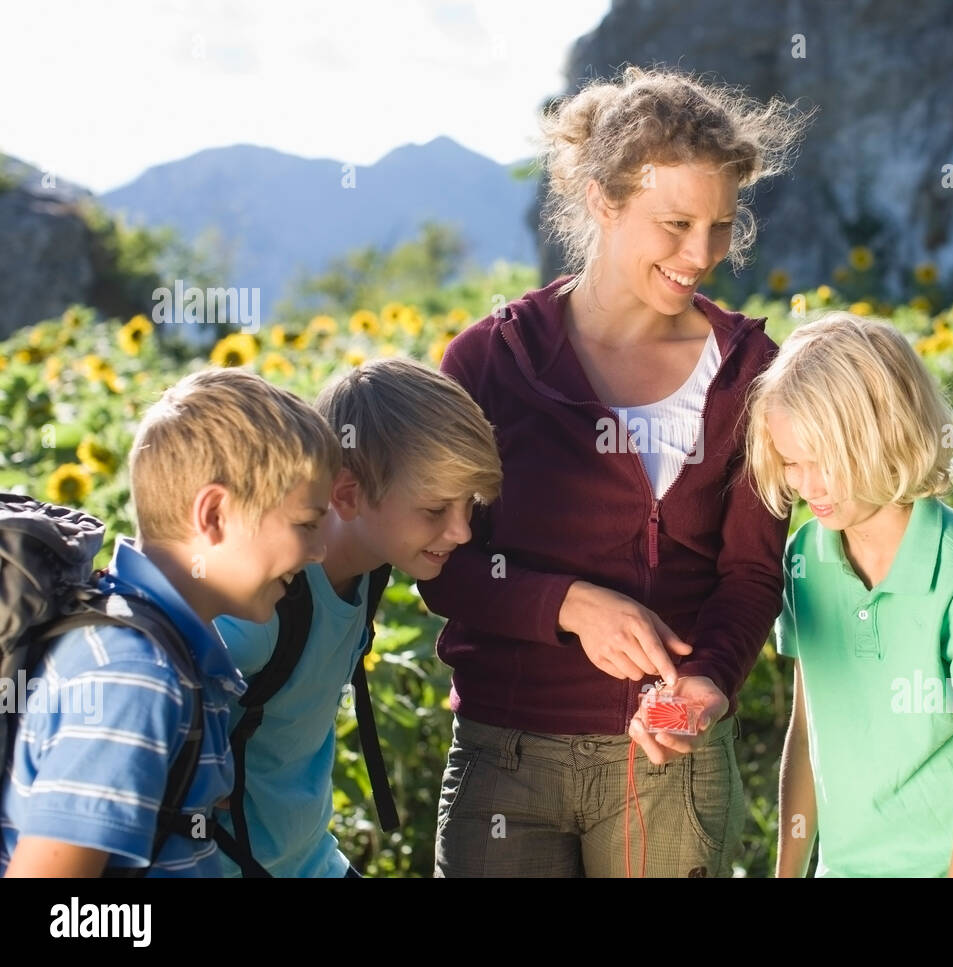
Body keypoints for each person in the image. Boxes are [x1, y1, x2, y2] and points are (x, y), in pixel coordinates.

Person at [418, 66, 808, 877]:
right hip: (506, 758)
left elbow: (749, 574)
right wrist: (567, 605)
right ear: (603, 200)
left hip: (671, 765)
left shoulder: (751, 370)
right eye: (675, 223)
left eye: (721, 225)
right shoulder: (490, 359)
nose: (701, 254)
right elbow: (440, 562)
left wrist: (708, 683)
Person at [0, 369, 338, 876]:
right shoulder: (134, 676)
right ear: (215, 514)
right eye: (306, 524)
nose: (318, 551)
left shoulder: (164, 650)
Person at [748, 312, 953, 877]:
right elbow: (807, 733)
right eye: (791, 463)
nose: (807, 486)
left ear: (887, 436)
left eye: (824, 462)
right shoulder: (805, 558)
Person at [213, 357, 501, 877]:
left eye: (469, 506)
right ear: (347, 494)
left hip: (308, 861)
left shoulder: (369, 570)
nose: (461, 532)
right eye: (435, 510)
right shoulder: (263, 602)